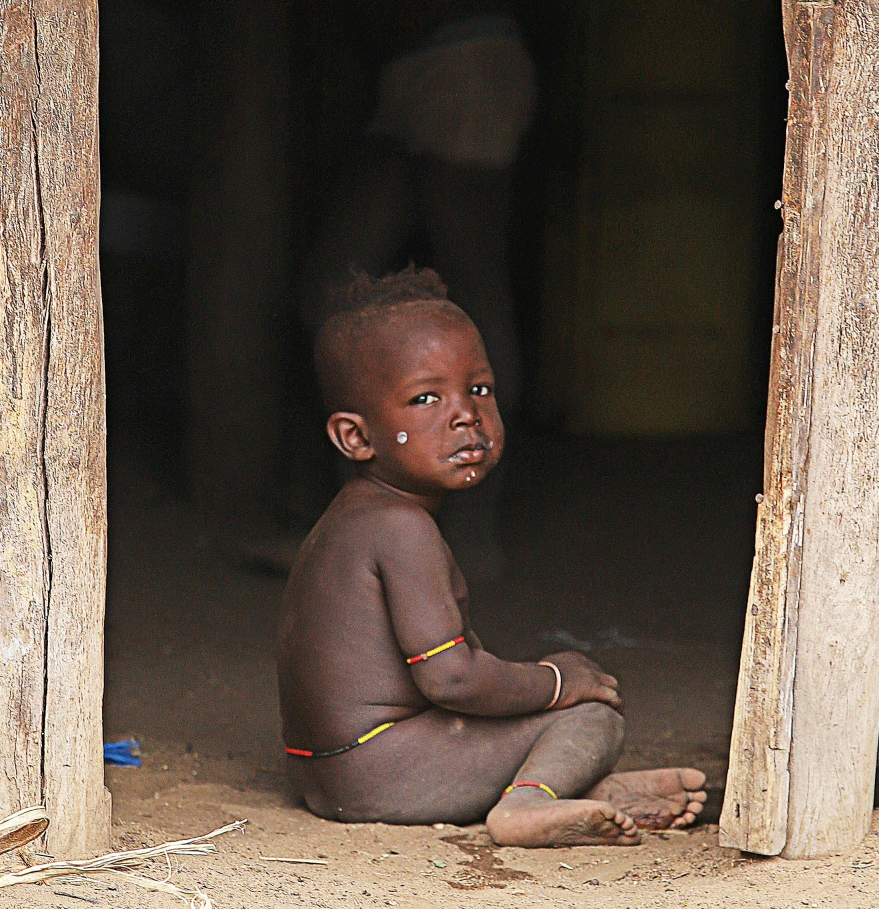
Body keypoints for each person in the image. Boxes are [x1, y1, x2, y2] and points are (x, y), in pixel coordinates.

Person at [297, 0, 558, 581]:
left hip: (468, 62)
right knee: (330, 281)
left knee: (474, 296)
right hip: (407, 78)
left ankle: (475, 529)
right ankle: (368, 517)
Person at [278, 267, 706, 846]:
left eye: (478, 389)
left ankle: (575, 792)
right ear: (356, 437)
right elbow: (451, 679)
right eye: (425, 398)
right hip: (377, 772)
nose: (465, 415)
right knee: (590, 717)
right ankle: (525, 808)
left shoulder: (351, 521)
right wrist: (555, 681)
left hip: (327, 772)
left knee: (531, 713)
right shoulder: (401, 529)